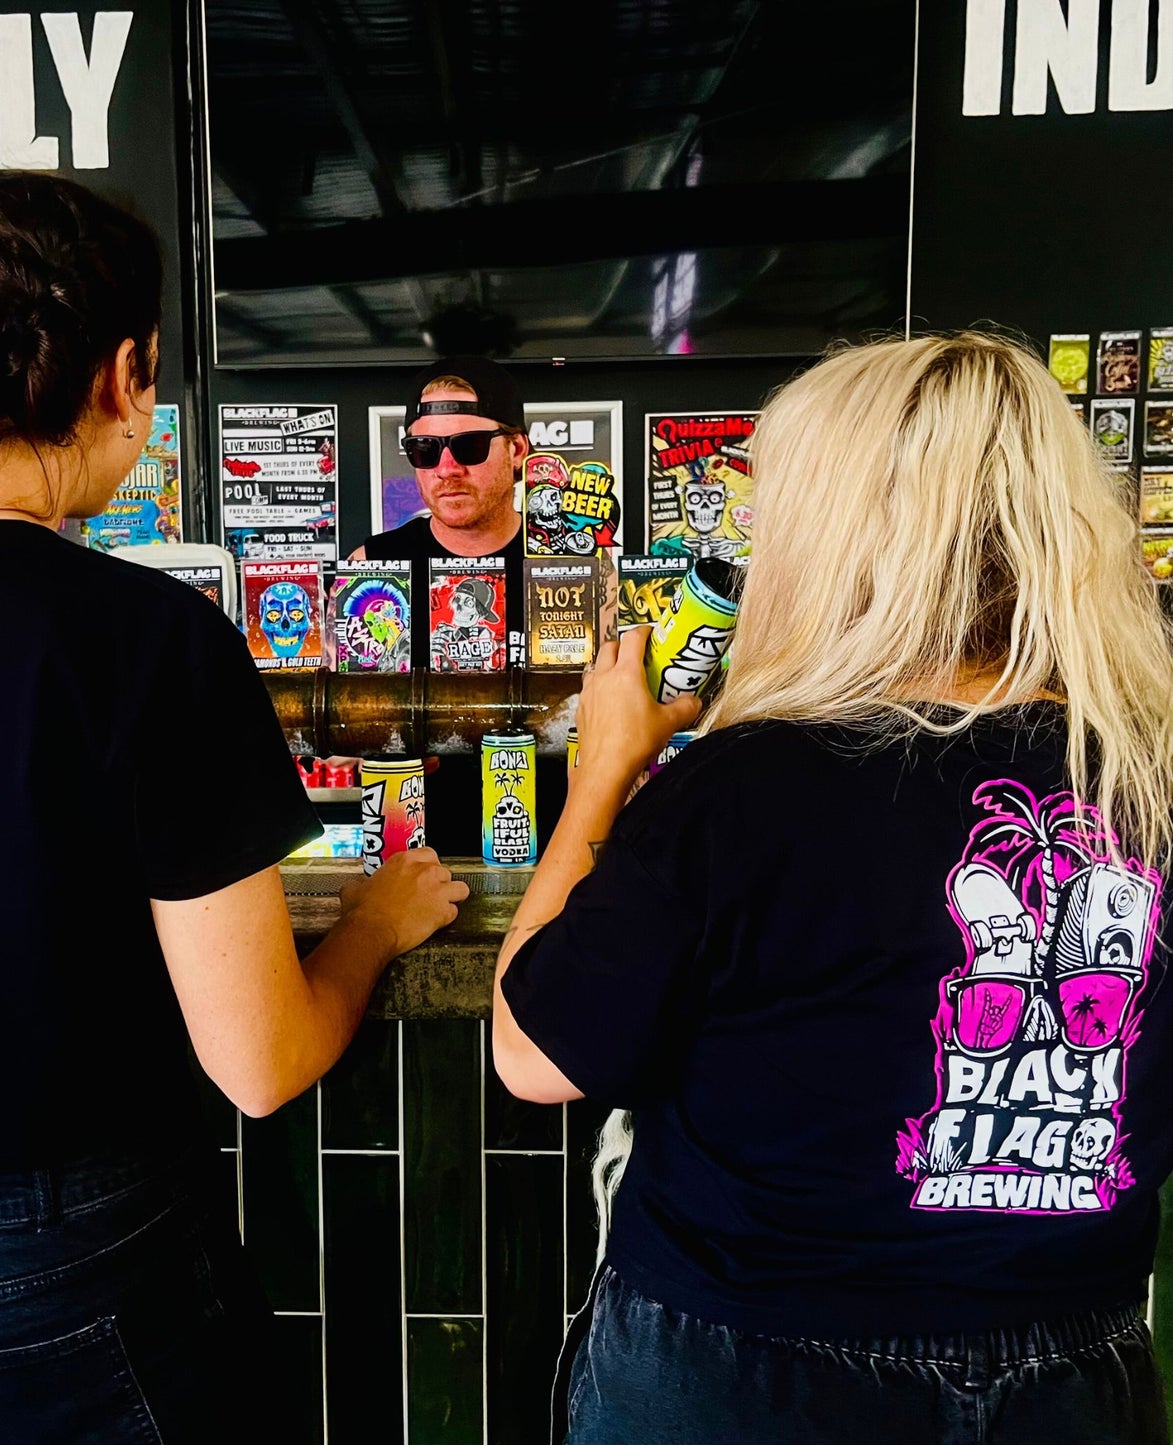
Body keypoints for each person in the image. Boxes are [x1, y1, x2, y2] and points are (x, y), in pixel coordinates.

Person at [0, 171, 467, 1445]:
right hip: (77, 1275)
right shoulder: (140, 638)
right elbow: (261, 1061)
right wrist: (377, 922)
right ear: (125, 373)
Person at [491, 332, 1173, 1444]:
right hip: (1069, 1366)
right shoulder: (1146, 776)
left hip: (741, 1365)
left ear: (830, 535)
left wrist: (605, 768)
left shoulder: (746, 785)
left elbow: (533, 1055)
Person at [351, 355, 568, 854]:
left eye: (468, 446)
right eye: (424, 449)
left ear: (516, 449)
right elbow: (344, 712)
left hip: (561, 842)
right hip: (416, 849)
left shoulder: (572, 565)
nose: (446, 469)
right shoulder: (371, 565)